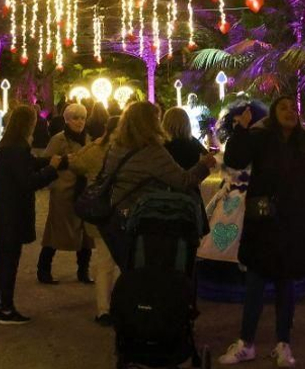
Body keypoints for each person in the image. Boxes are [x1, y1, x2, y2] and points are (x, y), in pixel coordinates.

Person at [217, 95, 305, 369]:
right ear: (274, 113)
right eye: (283, 107)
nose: (289, 112)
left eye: (293, 108)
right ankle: (246, 343)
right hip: (263, 221)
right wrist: (241, 129)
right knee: (255, 281)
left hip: (294, 222)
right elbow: (235, 159)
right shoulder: (261, 137)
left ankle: (283, 344)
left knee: (286, 283)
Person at [87, 102, 217, 325]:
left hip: (115, 216)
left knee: (123, 268)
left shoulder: (116, 147)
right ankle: (150, 317)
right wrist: (204, 165)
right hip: (143, 220)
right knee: (150, 270)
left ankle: (118, 311)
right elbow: (182, 181)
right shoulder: (153, 152)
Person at [0, 105, 69, 324]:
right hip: (12, 213)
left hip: (2, 210)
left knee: (1, 259)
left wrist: (50, 162)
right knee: (10, 260)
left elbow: (28, 164)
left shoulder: (8, 146)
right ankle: (7, 308)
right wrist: (51, 170)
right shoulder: (18, 148)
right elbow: (28, 182)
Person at [70, 111, 122, 324]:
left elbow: (75, 163)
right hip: (120, 210)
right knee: (120, 261)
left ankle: (103, 309)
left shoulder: (96, 149)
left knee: (104, 261)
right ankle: (118, 304)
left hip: (100, 211)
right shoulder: (129, 150)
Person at [38, 102, 94, 285]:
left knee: (85, 233)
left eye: (82, 118)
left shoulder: (88, 139)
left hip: (83, 191)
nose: (79, 122)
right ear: (67, 120)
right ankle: (44, 269)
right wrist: (63, 162)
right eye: (75, 118)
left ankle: (83, 270)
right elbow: (47, 161)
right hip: (64, 191)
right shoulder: (58, 139)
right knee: (56, 232)